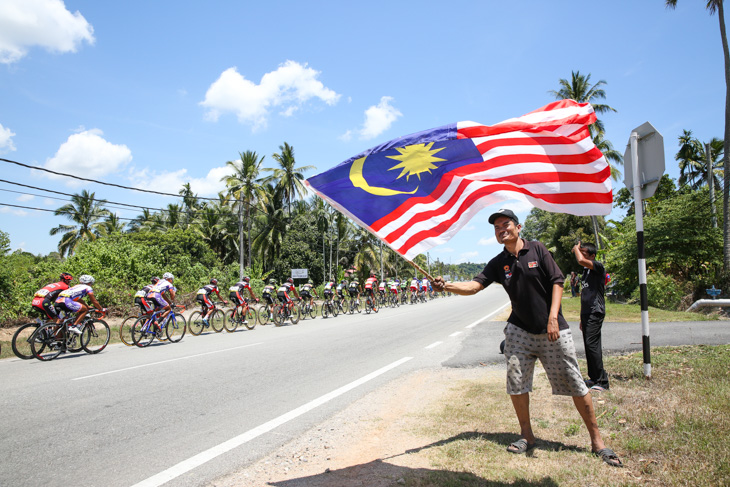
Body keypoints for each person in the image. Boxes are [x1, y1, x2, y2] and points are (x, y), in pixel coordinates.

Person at [432, 208, 622, 467]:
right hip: (519, 331)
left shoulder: (537, 249)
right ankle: (527, 436)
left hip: (553, 330)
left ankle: (597, 441)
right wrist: (447, 286)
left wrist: (553, 317)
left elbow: (557, 281)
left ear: (518, 227)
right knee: (516, 383)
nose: (501, 229)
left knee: (575, 382)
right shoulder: (499, 262)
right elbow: (474, 286)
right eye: (497, 227)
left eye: (506, 224)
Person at [573, 241, 610, 392]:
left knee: (592, 345)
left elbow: (581, 260)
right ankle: (594, 378)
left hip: (596, 311)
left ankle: (602, 381)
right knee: (589, 346)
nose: (581, 256)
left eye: (585, 253)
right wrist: (582, 317)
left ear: (592, 256)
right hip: (587, 313)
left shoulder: (598, 267)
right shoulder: (586, 272)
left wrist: (576, 249)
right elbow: (585, 295)